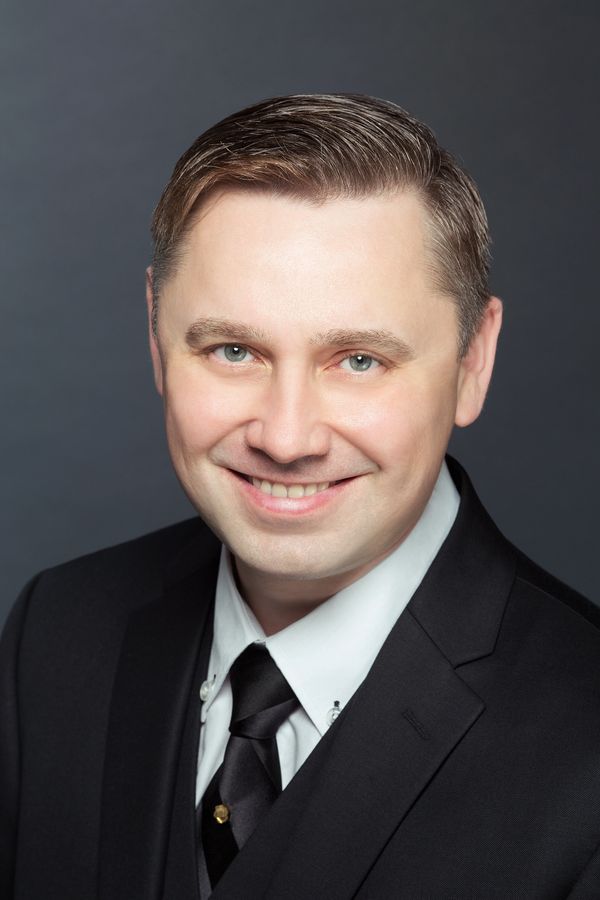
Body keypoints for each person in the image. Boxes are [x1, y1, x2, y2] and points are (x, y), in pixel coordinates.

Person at [1, 93, 599, 900]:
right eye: (234, 349)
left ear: (473, 361)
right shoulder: (58, 633)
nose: (287, 437)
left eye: (359, 360)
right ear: (155, 335)